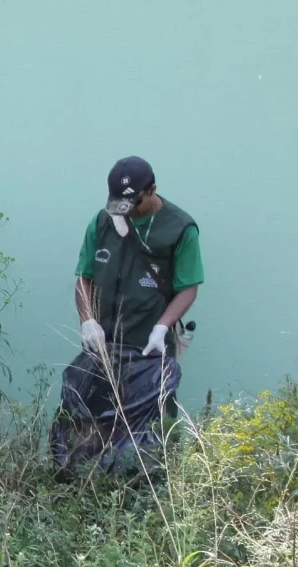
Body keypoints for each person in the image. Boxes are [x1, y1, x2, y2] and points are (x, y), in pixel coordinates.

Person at [53, 155, 203, 477]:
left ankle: (150, 490)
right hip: (102, 347)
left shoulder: (180, 228)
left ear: (152, 190)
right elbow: (84, 276)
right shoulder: (102, 221)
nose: (126, 211)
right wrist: (88, 321)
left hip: (149, 347)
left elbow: (188, 287)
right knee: (88, 419)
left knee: (151, 426)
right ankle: (83, 486)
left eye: (133, 202)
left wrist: (162, 328)